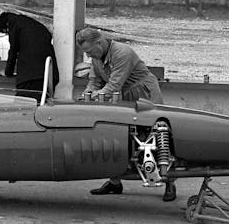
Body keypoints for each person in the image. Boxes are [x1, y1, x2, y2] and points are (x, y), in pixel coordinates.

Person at [75, 27, 177, 202]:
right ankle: (114, 182)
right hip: (123, 96)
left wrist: (93, 99)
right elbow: (95, 81)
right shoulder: (97, 57)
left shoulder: (122, 52)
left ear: (99, 42)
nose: (89, 57)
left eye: (90, 52)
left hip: (144, 94)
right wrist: (85, 97)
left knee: (156, 137)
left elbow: (114, 84)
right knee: (119, 138)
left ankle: (169, 182)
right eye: (86, 53)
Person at [0, 12, 59, 99]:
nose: (9, 34)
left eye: (7, 32)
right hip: (50, 75)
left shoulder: (15, 24)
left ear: (6, 25)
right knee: (43, 106)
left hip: (30, 78)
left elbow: (13, 51)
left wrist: (8, 72)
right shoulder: (33, 24)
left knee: (24, 107)